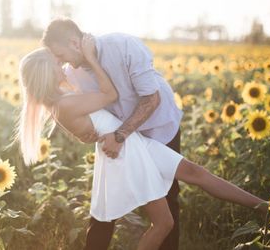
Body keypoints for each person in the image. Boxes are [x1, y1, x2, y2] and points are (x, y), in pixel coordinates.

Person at [16, 41, 268, 250]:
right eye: (56, 64)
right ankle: (263, 208)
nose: (63, 66)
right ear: (46, 74)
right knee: (163, 224)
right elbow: (110, 95)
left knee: (196, 173)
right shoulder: (64, 105)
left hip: (132, 142)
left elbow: (91, 122)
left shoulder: (63, 101)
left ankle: (264, 208)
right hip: (125, 153)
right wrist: (91, 59)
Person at [42, 18, 184, 250]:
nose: (59, 61)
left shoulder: (124, 46)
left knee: (168, 196)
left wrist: (120, 135)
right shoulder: (74, 72)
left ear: (74, 42)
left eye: (59, 54)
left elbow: (152, 99)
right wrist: (84, 133)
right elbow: (80, 111)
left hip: (158, 128)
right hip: (119, 139)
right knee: (105, 204)